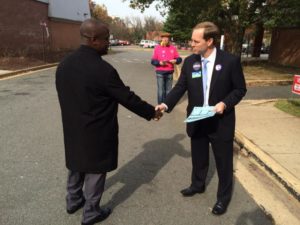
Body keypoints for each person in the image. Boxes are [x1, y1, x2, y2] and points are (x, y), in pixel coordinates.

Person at [56, 19, 162, 225]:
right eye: (106, 39)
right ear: (93, 40)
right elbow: (127, 98)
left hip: (72, 127)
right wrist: (151, 112)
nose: (108, 43)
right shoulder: (102, 70)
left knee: (76, 164)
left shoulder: (64, 64)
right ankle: (91, 212)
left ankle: (73, 201)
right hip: (97, 130)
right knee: (95, 169)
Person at [156, 22, 247, 215]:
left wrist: (225, 103)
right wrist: (165, 104)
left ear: (210, 41)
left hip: (220, 120)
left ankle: (223, 198)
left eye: (196, 41)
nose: (191, 44)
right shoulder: (190, 62)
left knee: (223, 162)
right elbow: (180, 87)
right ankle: (197, 184)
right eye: (191, 40)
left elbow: (240, 89)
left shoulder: (230, 61)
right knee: (199, 156)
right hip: (197, 118)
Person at [151, 32, 182, 104]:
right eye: (164, 38)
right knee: (161, 90)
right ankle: (160, 105)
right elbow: (153, 61)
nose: (165, 39)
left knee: (169, 90)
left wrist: (176, 60)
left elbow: (179, 59)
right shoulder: (157, 48)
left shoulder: (173, 48)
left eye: (167, 38)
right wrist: (159, 63)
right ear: (161, 39)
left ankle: (167, 105)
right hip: (160, 72)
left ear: (169, 39)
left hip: (170, 72)